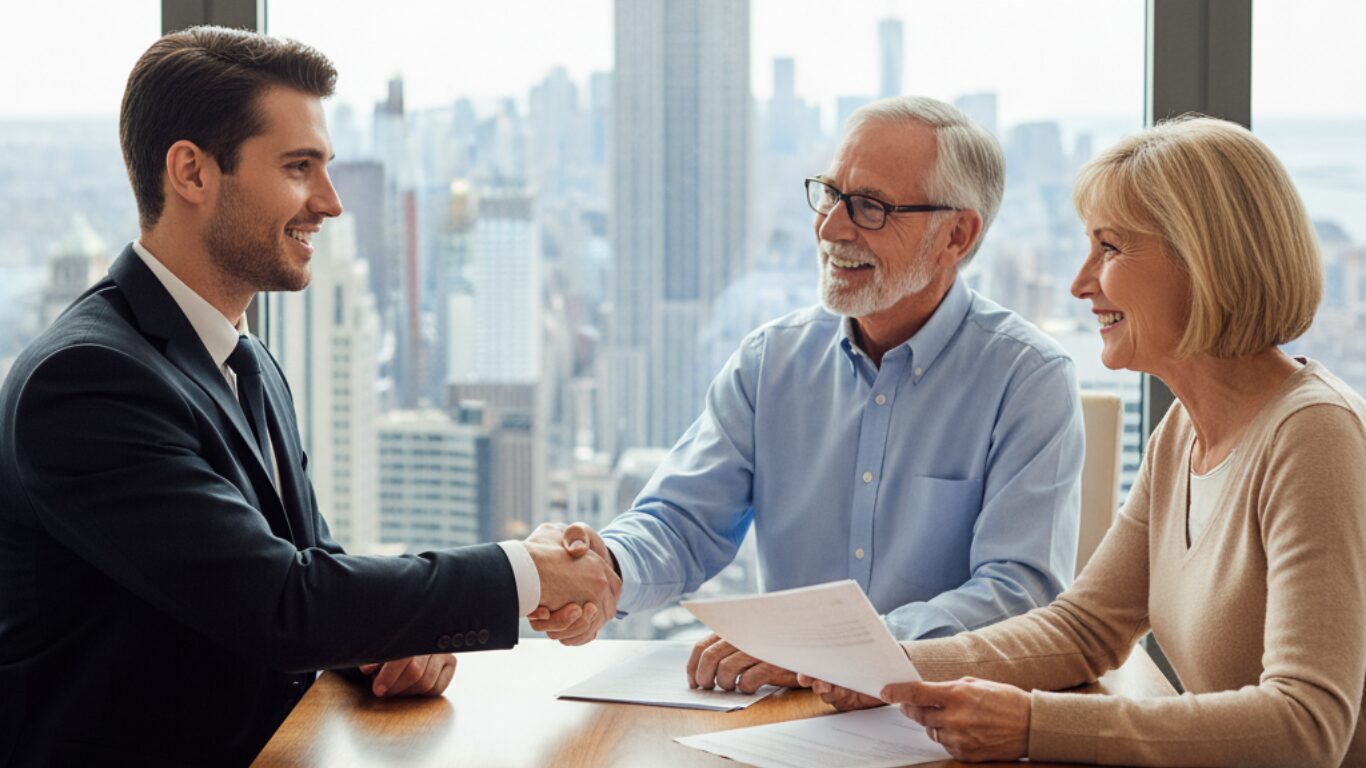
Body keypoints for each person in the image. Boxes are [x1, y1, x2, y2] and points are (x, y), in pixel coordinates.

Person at [0, 27, 617, 766]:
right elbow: (280, 605)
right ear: (192, 173)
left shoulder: (241, 356)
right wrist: (524, 571)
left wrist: (383, 644)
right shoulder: (86, 383)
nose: (328, 203)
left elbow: (307, 564)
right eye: (299, 168)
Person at [807, 116, 1366, 767]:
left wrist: (1034, 724)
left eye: (1109, 248)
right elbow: (1084, 629)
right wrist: (880, 666)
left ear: (1203, 261)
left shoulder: (1315, 436)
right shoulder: (1183, 433)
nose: (1080, 282)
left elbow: (1307, 727)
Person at [539, 96, 1086, 693]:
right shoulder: (770, 361)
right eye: (829, 193)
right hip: (789, 717)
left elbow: (1019, 592)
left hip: (950, 723)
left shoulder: (1028, 378)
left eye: (869, 207)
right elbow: (682, 521)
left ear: (957, 234)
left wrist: (841, 653)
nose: (830, 227)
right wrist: (609, 570)